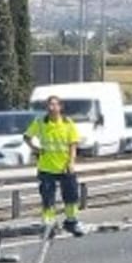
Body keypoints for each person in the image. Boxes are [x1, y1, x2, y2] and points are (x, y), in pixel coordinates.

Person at [23, 95, 85, 236]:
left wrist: (71, 162)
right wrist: (35, 149)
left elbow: (73, 144)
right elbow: (27, 136)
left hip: (64, 166)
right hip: (47, 167)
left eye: (54, 104)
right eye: (49, 105)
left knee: (71, 195)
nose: (51, 108)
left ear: (60, 107)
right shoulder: (40, 122)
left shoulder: (67, 123)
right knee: (47, 197)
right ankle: (49, 224)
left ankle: (71, 221)